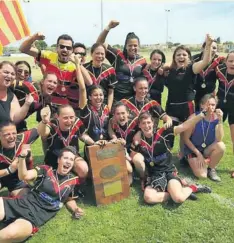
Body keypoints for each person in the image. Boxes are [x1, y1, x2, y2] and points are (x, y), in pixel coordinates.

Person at [0, 146, 84, 242]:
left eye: (71, 160)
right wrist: (22, 158)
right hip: (21, 204)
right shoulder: (45, 170)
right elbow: (24, 176)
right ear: (58, 160)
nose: (68, 162)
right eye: (65, 158)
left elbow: (69, 199)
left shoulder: (73, 181)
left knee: (9, 234)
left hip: (34, 217)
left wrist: (75, 209)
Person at [131, 112, 212, 205]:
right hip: (155, 174)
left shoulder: (163, 133)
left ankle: (193, 188)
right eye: (143, 123)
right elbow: (132, 155)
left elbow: (184, 126)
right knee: (149, 198)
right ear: (139, 125)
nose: (146, 126)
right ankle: (173, 193)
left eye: (149, 122)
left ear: (153, 123)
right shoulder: (138, 140)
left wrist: (201, 115)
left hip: (169, 171)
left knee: (178, 198)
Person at [19, 32, 92, 110]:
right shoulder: (49, 56)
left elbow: (89, 82)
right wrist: (33, 38)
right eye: (62, 47)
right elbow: (23, 49)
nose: (65, 50)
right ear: (57, 48)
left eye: (68, 48)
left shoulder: (75, 65)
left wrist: (78, 64)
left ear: (72, 50)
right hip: (48, 105)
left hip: (65, 109)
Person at [38, 104, 93, 180]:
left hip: (72, 156)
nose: (69, 121)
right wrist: (44, 121)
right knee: (53, 183)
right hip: (55, 158)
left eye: (71, 117)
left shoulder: (77, 122)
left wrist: (94, 143)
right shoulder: (52, 124)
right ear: (57, 116)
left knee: (83, 168)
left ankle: (77, 187)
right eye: (65, 118)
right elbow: (43, 133)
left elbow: (82, 135)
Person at [97, 20, 147, 101]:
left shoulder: (143, 61)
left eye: (135, 45)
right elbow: (99, 44)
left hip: (133, 101)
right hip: (117, 99)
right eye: (130, 45)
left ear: (139, 46)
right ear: (126, 46)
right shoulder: (117, 56)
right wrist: (108, 27)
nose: (133, 48)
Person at [183, 94, 225, 181]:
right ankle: (189, 159)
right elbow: (186, 139)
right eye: (208, 104)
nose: (210, 107)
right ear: (202, 105)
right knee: (202, 175)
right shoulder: (194, 117)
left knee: (221, 146)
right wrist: (198, 154)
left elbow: (219, 139)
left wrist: (220, 120)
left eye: (213, 105)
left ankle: (211, 169)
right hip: (193, 149)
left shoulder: (217, 118)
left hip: (206, 150)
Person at [0, 121, 38, 196]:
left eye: (14, 133)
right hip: (2, 176)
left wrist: (44, 121)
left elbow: (39, 129)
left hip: (17, 179)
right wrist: (9, 170)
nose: (12, 136)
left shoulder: (22, 138)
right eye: (7, 134)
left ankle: (13, 194)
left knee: (27, 196)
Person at [214, 51, 234, 177]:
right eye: (231, 61)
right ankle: (209, 159)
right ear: (225, 62)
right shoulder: (219, 70)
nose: (233, 63)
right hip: (220, 106)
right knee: (213, 133)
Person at [108, 102, 138, 184]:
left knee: (137, 161)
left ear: (128, 113)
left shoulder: (135, 122)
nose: (121, 116)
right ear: (114, 115)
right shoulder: (111, 122)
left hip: (133, 150)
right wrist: (116, 139)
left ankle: (142, 176)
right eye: (118, 114)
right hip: (121, 151)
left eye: (123, 113)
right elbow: (111, 132)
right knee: (129, 171)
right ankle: (129, 172)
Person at [192, 40, 224, 111]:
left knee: (208, 116)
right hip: (194, 94)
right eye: (208, 47)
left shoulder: (219, 61)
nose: (211, 49)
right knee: (195, 117)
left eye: (214, 48)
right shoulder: (194, 59)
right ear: (202, 48)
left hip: (209, 95)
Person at [84, 43, 117, 110]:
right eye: (97, 53)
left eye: (102, 54)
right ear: (91, 54)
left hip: (103, 106)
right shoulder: (84, 69)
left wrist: (108, 108)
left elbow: (111, 91)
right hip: (87, 106)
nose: (100, 56)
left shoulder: (110, 70)